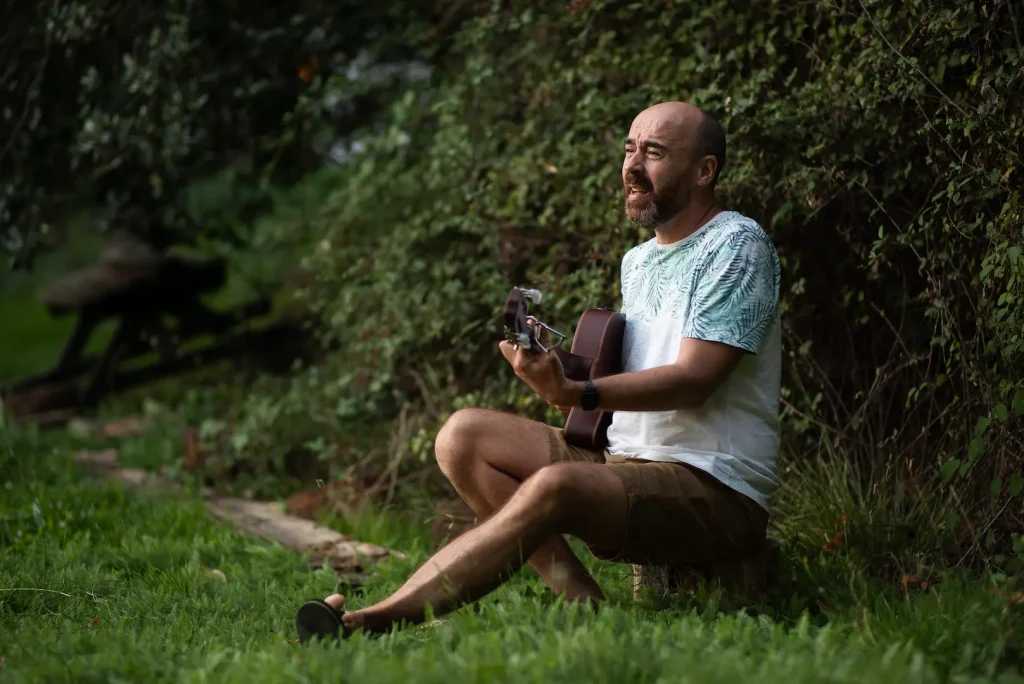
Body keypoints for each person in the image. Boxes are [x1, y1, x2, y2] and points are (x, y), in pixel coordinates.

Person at [295, 101, 782, 641]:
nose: (632, 165)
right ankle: (590, 612)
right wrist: (556, 370)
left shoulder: (736, 245)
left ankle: (377, 619)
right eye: (629, 149)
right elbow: (639, 372)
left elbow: (695, 379)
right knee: (462, 437)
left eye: (654, 152)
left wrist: (579, 390)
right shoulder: (639, 261)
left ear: (704, 170)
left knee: (557, 485)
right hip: (623, 462)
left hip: (713, 486)